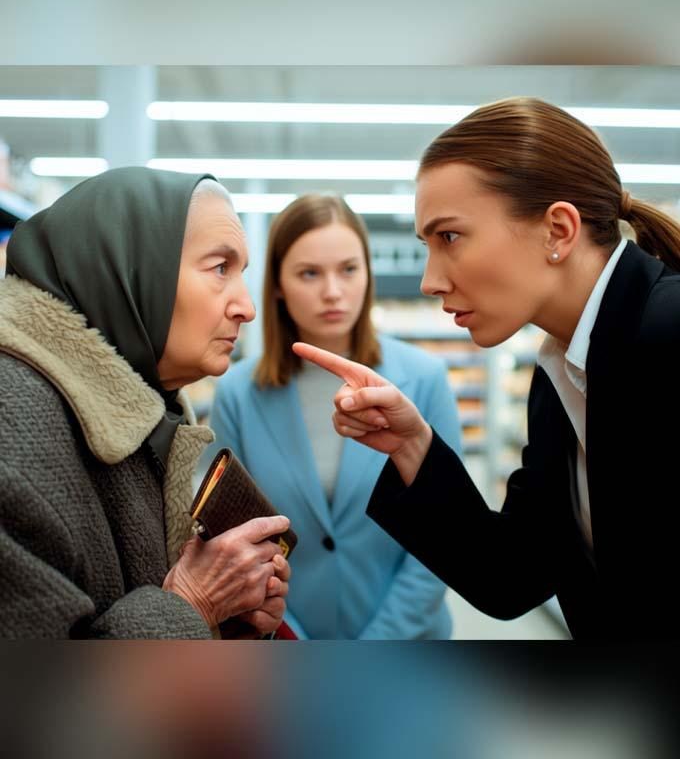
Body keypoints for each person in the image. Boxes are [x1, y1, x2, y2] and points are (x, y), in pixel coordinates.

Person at [294, 97, 680, 640]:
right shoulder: (558, 384)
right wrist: (412, 445)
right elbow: (511, 576)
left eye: (449, 236)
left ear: (558, 231)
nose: (429, 280)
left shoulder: (668, 332)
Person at [0, 167, 291, 639]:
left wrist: (230, 615)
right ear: (131, 270)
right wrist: (192, 604)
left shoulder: (146, 411)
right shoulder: (13, 431)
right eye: (220, 268)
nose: (246, 307)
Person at [210, 193, 461, 639]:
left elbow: (445, 536)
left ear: (367, 272)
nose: (332, 291)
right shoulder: (238, 394)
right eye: (309, 273)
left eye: (348, 269)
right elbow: (237, 537)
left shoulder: (423, 379)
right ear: (278, 285)